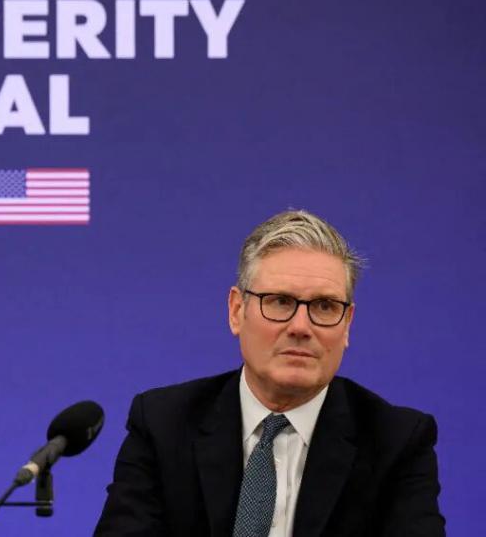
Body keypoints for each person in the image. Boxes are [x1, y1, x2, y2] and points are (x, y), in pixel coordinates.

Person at [94, 210, 444, 537]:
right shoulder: (164, 424)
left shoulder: (396, 442)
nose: (301, 327)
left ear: (347, 324)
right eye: (280, 301)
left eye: (325, 306)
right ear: (237, 311)